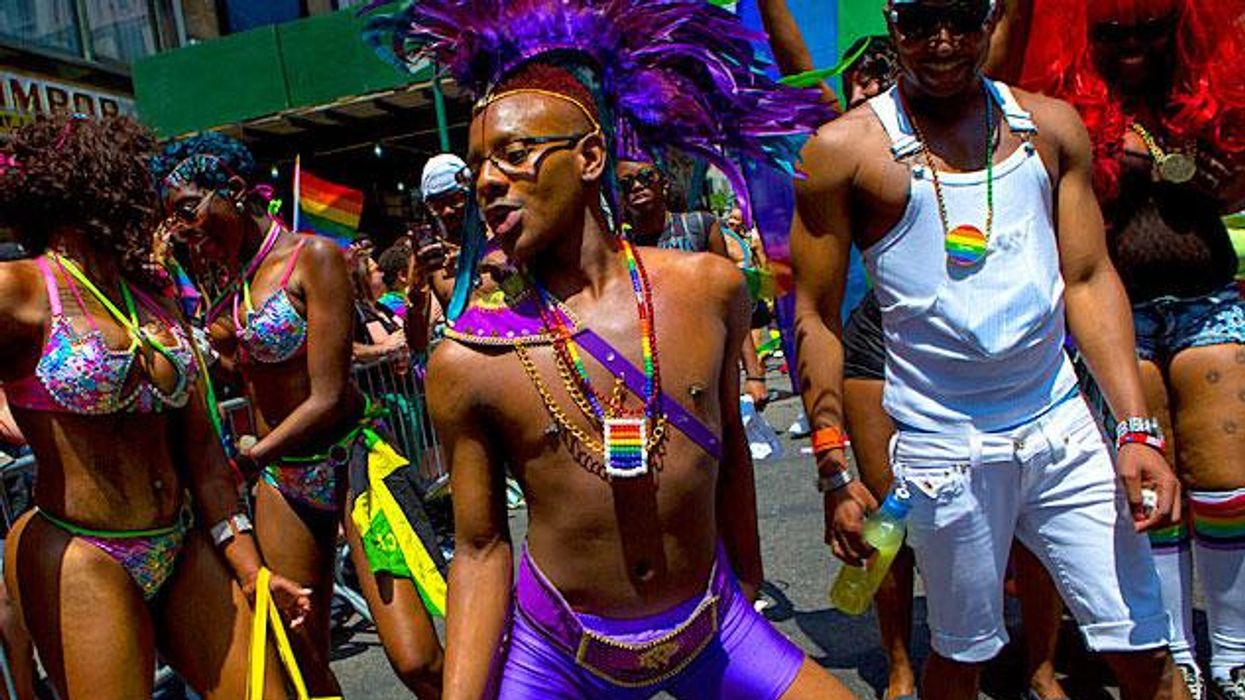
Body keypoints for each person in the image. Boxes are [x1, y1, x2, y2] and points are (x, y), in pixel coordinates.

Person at [365, 0, 849, 697]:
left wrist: (745, 583)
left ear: (590, 157)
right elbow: (478, 547)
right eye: (479, 166)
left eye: (515, 154)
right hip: (558, 654)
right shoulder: (468, 359)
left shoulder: (706, 290)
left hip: (710, 627)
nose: (488, 181)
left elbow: (729, 453)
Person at [791, 1, 1190, 699]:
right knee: (959, 658)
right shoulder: (844, 151)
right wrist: (832, 468)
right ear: (889, 21)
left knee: (1143, 655)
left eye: (962, 19)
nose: (943, 42)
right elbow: (816, 317)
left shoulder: (1049, 128)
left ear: (991, 18)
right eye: (919, 22)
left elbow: (1088, 278)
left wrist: (1135, 429)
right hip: (943, 450)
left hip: (1060, 429)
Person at [0, 114, 307, 699]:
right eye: (136, 183)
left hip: (181, 540)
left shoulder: (151, 296)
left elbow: (203, 453)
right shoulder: (20, 289)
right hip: (83, 553)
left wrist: (251, 569)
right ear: (95, 185)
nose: (155, 207)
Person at [151, 133, 446, 698]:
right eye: (173, 218)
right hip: (285, 481)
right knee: (300, 661)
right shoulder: (228, 282)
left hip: (352, 463)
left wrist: (251, 457)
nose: (182, 228)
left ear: (234, 190)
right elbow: (228, 373)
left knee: (416, 660)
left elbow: (328, 396)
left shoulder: (313, 257)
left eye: (188, 210)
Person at [1023, 1, 1245, 697]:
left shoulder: (1206, 91)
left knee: (1227, 477)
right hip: (1117, 316)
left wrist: (1227, 175)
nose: (1132, 45)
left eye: (1150, 29)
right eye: (1113, 32)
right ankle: (1174, 652)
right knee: (1150, 486)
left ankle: (1234, 653)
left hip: (1206, 297)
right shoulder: (1064, 110)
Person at [618, 161, 771, 409]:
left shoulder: (700, 226)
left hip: (711, 363)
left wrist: (753, 375)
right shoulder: (620, 248)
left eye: (646, 177)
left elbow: (730, 302)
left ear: (663, 184)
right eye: (626, 184)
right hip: (654, 370)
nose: (636, 186)